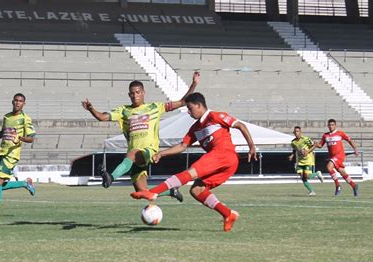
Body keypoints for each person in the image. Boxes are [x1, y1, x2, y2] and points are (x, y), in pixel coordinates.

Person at [131, 92, 257, 232]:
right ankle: (228, 214)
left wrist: (251, 146)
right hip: (223, 162)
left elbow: (241, 126)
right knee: (197, 190)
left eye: (190, 108)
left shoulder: (215, 116)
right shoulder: (195, 128)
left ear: (199, 105)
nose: (189, 113)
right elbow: (182, 146)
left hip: (223, 154)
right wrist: (162, 153)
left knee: (190, 172)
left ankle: (153, 192)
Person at [81, 72, 200, 201]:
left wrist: (193, 84)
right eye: (132, 93)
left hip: (148, 151)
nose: (135, 95)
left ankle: (111, 177)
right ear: (129, 95)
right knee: (142, 193)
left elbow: (183, 102)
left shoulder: (155, 107)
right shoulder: (123, 111)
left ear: (143, 93)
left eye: (138, 92)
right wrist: (91, 109)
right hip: (132, 160)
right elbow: (101, 117)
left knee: (132, 154)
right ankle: (171, 191)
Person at [0, 93, 36, 219]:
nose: (18, 103)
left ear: (24, 104)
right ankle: (25, 183)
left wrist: (20, 138)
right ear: (12, 102)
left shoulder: (26, 118)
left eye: (20, 101)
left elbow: (31, 139)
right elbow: (2, 133)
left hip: (12, 154)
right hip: (2, 151)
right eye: (16, 100)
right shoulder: (7, 117)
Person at [313, 119, 360, 196]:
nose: (331, 126)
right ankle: (354, 185)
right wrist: (315, 144)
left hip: (340, 155)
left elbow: (350, 140)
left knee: (329, 167)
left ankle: (338, 186)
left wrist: (355, 149)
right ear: (328, 126)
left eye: (332, 125)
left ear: (335, 125)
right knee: (342, 172)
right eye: (329, 125)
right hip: (333, 157)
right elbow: (320, 145)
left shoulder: (340, 133)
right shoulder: (325, 135)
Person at [288, 126, 324, 195]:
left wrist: (308, 151)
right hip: (300, 161)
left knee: (307, 176)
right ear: (293, 132)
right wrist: (292, 155)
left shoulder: (306, 139)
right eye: (295, 131)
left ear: (300, 132)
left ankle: (317, 174)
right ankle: (312, 191)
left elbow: (314, 145)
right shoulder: (293, 142)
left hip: (308, 160)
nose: (296, 133)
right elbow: (294, 149)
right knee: (302, 177)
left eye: (298, 131)